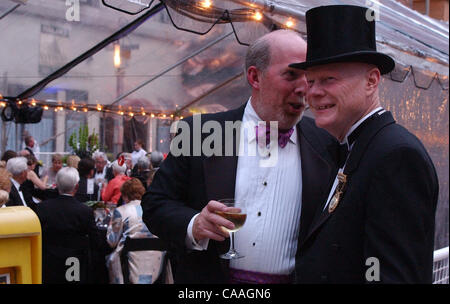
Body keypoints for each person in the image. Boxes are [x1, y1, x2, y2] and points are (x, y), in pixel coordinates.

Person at [141, 29, 338, 283]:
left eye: (308, 77)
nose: (303, 88)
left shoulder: (327, 143)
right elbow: (155, 205)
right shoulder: (200, 133)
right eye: (291, 74)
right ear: (255, 77)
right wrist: (194, 225)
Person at [289, 5, 438, 284]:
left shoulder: (396, 156)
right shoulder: (353, 147)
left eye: (328, 79)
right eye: (311, 81)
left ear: (371, 81)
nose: (314, 92)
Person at [34, 167, 98, 284]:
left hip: (49, 260)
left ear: (57, 185)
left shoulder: (43, 208)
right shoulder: (84, 211)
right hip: (74, 262)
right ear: (76, 187)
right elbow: (95, 239)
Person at [106, 178, 168, 284]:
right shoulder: (154, 210)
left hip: (129, 266)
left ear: (125, 195)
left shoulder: (121, 211)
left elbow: (112, 242)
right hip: (156, 265)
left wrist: (110, 226)